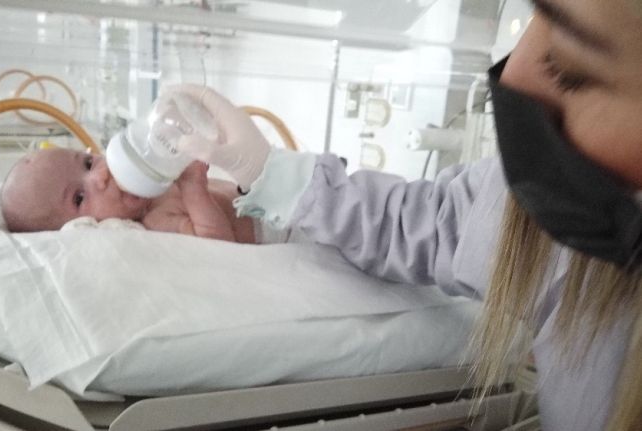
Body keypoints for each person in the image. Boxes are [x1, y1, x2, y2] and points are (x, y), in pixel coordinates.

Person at [171, 1, 642, 430]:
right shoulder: (546, 217)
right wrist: (269, 175)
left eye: (570, 67)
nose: (509, 74)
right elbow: (428, 224)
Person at [0, 147, 257, 243]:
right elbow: (219, 244)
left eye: (88, 163)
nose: (100, 176)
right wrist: (193, 188)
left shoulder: (155, 183)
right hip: (269, 230)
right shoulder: (156, 219)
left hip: (259, 196)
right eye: (79, 198)